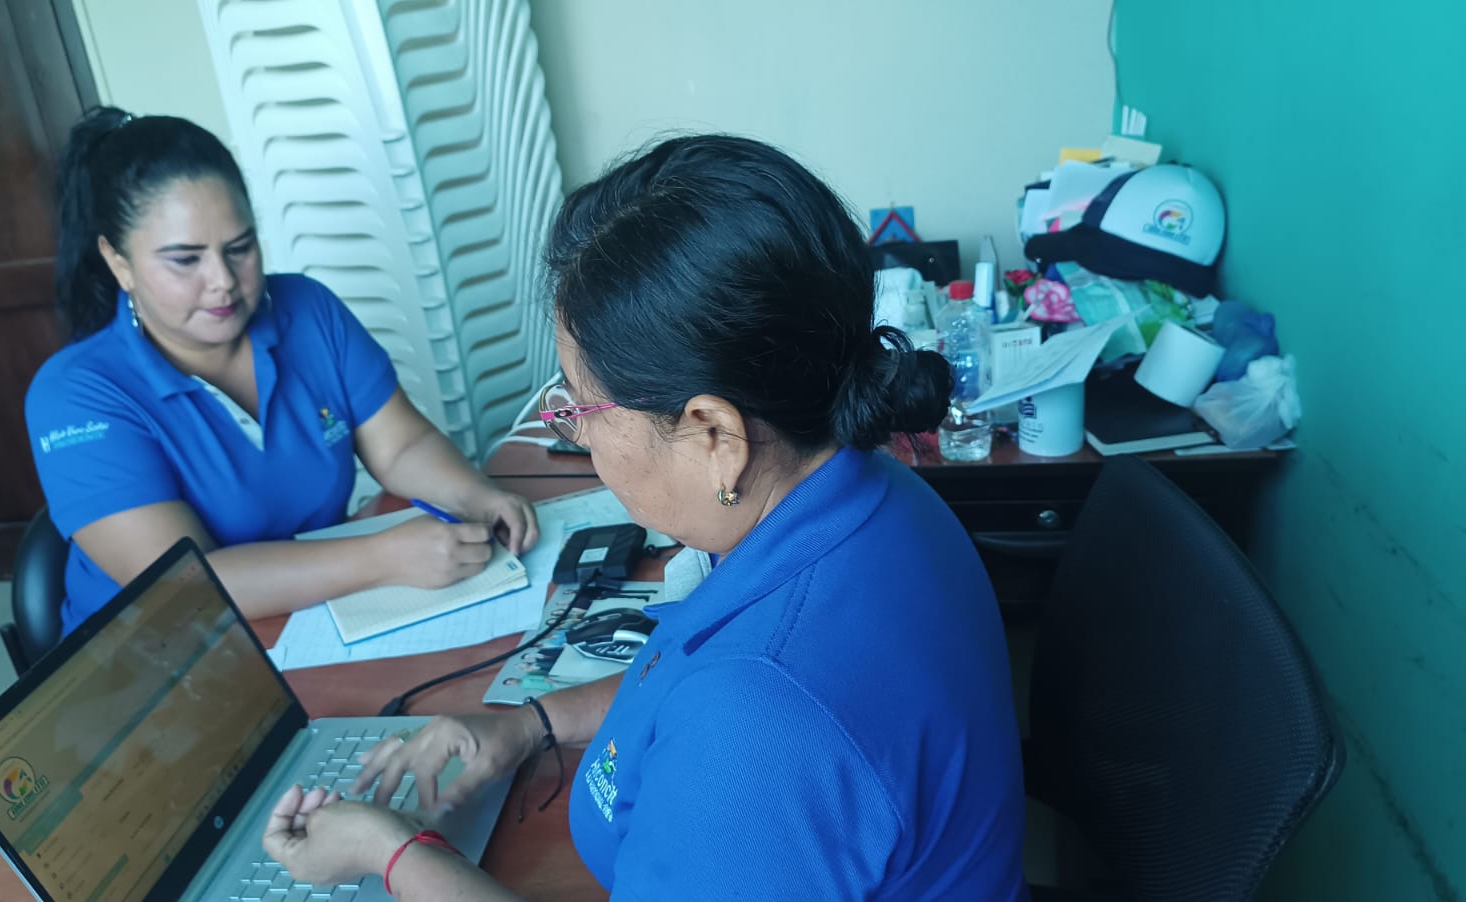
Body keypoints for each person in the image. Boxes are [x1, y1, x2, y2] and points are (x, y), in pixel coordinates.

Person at [261, 135, 1028, 899]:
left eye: (581, 406)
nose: (576, 432)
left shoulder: (757, 722)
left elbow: (752, 715)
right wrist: (533, 723)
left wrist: (391, 850)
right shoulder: (868, 492)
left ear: (715, 436)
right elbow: (689, 682)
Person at [26, 107, 537, 633]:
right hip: (163, 654)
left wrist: (475, 495)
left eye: (240, 248)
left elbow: (401, 446)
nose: (223, 280)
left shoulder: (308, 310)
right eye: (186, 260)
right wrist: (382, 558)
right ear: (118, 262)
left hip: (315, 616)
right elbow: (188, 586)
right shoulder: (73, 396)